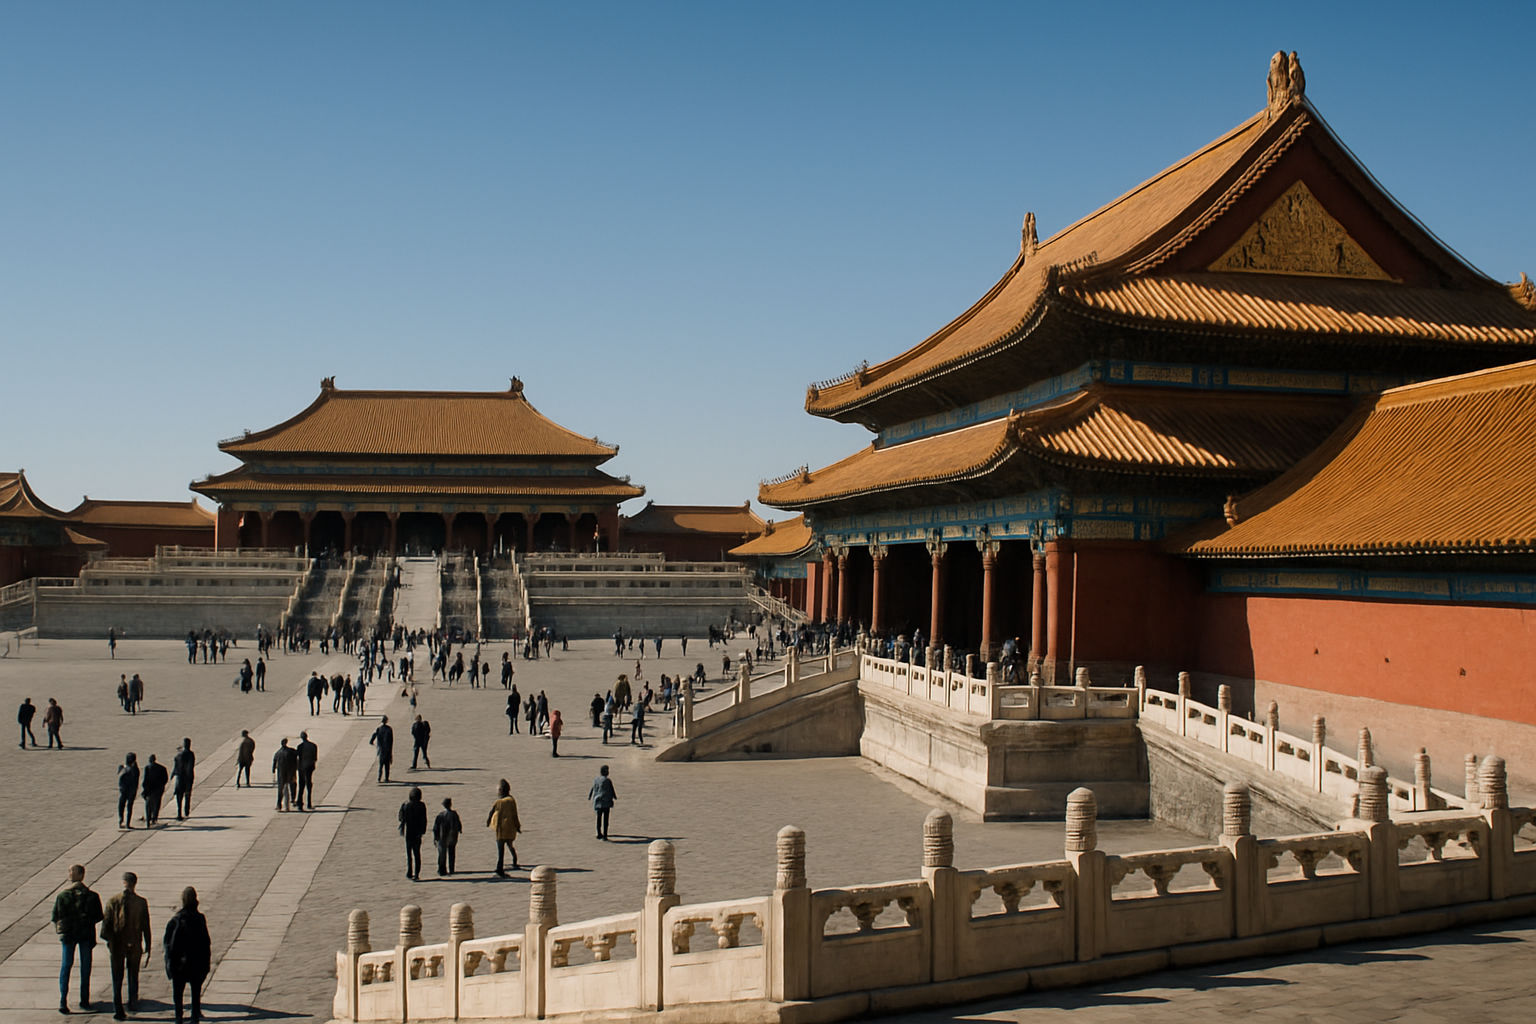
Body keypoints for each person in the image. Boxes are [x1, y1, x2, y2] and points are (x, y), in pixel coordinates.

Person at [52, 863, 103, 1014]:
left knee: (66, 965)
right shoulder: (92, 896)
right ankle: (84, 1000)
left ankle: (63, 1000)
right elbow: (98, 916)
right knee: (86, 966)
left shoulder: (62, 896)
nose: (69, 874)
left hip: (68, 935)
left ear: (79, 874)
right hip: (86, 934)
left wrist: (61, 929)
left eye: (71, 871)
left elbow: (55, 916)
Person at [101, 871, 151, 1021]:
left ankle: (118, 1007)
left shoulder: (113, 901)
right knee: (133, 974)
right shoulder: (141, 902)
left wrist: (110, 941)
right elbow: (146, 925)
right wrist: (148, 944)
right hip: (134, 942)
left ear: (124, 882)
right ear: (135, 883)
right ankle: (132, 1001)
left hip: (117, 944)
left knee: (117, 977)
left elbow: (106, 925)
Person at [162, 887, 210, 1024]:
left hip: (180, 963)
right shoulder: (199, 918)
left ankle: (179, 1017)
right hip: (196, 962)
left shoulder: (176, 920)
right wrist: (206, 963)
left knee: (178, 993)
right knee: (196, 991)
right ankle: (195, 1016)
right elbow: (206, 942)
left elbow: (168, 944)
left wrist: (169, 963)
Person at [486, 779, 521, 877]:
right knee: (510, 845)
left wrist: (488, 822)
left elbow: (492, 812)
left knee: (500, 850)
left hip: (501, 830)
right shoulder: (512, 801)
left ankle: (499, 869)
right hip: (510, 829)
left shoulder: (499, 802)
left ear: (501, 790)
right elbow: (515, 815)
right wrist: (517, 826)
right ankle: (514, 860)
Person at [398, 787, 428, 880]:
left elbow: (400, 818)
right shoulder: (421, 805)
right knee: (417, 854)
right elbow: (424, 819)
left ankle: (409, 872)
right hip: (417, 832)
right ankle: (417, 873)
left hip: (409, 831)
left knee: (409, 854)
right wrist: (423, 831)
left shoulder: (405, 804)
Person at [432, 797, 462, 876]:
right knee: (452, 852)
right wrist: (459, 830)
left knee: (442, 853)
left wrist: (435, 837)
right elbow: (459, 824)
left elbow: (436, 827)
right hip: (453, 836)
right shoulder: (454, 814)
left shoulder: (441, 815)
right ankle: (451, 868)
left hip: (443, 837)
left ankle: (442, 870)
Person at [588, 764, 616, 840]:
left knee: (598, 818)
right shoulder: (607, 780)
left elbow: (592, 788)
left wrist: (590, 796)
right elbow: (611, 790)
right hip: (605, 802)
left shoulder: (596, 779)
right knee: (605, 819)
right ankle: (605, 835)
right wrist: (614, 797)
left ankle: (598, 833)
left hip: (597, 801)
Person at [170, 740, 195, 820]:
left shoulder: (179, 754)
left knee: (179, 795)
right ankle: (186, 809)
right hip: (187, 777)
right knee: (187, 793)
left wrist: (173, 774)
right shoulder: (191, 754)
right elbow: (190, 767)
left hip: (180, 777)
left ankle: (179, 812)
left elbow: (176, 766)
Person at [271, 738, 298, 812]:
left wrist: (273, 770)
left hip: (281, 773)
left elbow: (274, 763)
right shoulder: (291, 751)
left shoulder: (278, 753)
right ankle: (293, 799)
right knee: (292, 786)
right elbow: (296, 758)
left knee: (280, 789)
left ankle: (279, 804)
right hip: (290, 772)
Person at [141, 755, 168, 826]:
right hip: (158, 789)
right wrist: (161, 786)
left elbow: (145, 779)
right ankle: (154, 817)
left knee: (148, 805)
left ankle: (148, 819)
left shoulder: (147, 768)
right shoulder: (162, 768)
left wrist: (145, 789)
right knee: (157, 803)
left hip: (150, 789)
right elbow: (165, 779)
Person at [296, 731, 319, 810]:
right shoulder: (313, 745)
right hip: (309, 766)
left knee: (301, 785)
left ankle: (300, 803)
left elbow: (298, 757)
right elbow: (315, 758)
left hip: (302, 767)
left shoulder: (300, 746)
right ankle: (309, 803)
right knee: (309, 784)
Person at [117, 753, 140, 829]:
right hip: (131, 791)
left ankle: (121, 818)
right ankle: (128, 823)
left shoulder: (124, 768)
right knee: (129, 807)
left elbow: (120, 779)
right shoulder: (134, 770)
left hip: (123, 790)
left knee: (121, 805)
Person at [370, 716, 394, 783]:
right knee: (387, 765)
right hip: (387, 749)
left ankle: (379, 778)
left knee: (380, 765)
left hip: (381, 749)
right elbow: (391, 741)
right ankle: (386, 778)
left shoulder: (379, 729)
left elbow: (373, 736)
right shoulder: (389, 729)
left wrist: (372, 742)